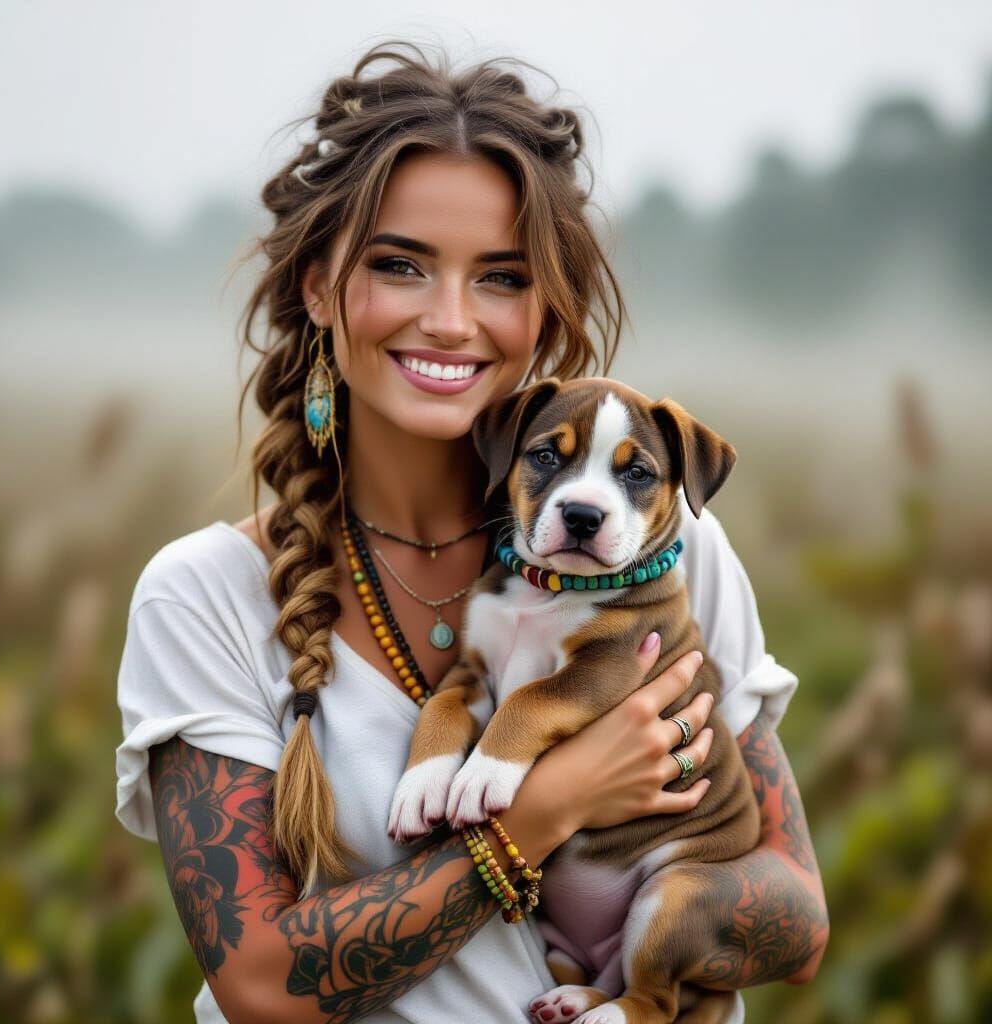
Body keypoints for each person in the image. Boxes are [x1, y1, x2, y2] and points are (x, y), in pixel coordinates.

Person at [114, 40, 828, 1024]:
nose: (451, 319)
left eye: (500, 277)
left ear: (543, 311)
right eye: (401, 265)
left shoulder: (667, 552)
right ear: (319, 288)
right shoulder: (205, 596)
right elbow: (258, 985)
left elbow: (797, 919)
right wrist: (541, 812)